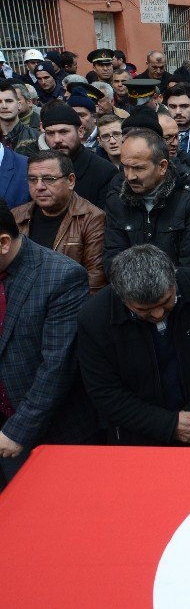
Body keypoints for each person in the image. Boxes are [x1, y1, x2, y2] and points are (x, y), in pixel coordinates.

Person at [77, 245, 190, 446]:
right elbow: (105, 392)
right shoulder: (94, 319)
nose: (158, 314)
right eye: (144, 310)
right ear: (122, 298)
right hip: (141, 437)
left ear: (173, 278)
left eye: (167, 301)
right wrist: (168, 425)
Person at [0, 198, 99, 488]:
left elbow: (56, 367)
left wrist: (19, 430)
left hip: (52, 435)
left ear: (4, 243)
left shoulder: (61, 276)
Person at [104, 129, 190, 269]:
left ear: (162, 166)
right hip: (127, 289)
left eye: (138, 168)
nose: (130, 176)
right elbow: (112, 262)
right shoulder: (117, 201)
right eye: (125, 167)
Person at [12, 150, 105, 293]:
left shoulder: (92, 218)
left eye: (49, 179)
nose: (39, 187)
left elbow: (95, 282)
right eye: (32, 179)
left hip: (67, 305)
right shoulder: (17, 216)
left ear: (70, 181)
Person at [40, 104, 116, 210]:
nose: (57, 139)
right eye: (50, 133)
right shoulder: (38, 170)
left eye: (64, 132)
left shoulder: (104, 172)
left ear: (80, 131)